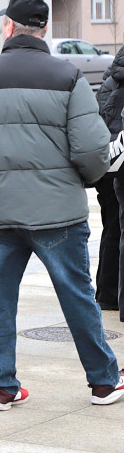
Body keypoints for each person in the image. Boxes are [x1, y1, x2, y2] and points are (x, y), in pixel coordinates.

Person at [0, 0, 124, 410]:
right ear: (45, 29)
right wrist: (78, 181)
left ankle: (2, 388)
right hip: (57, 212)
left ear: (8, 27)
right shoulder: (67, 76)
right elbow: (94, 148)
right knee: (77, 295)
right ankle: (102, 382)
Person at [95, 45, 124, 316]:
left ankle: (106, 294)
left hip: (108, 164)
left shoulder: (109, 79)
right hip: (117, 163)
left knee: (112, 228)